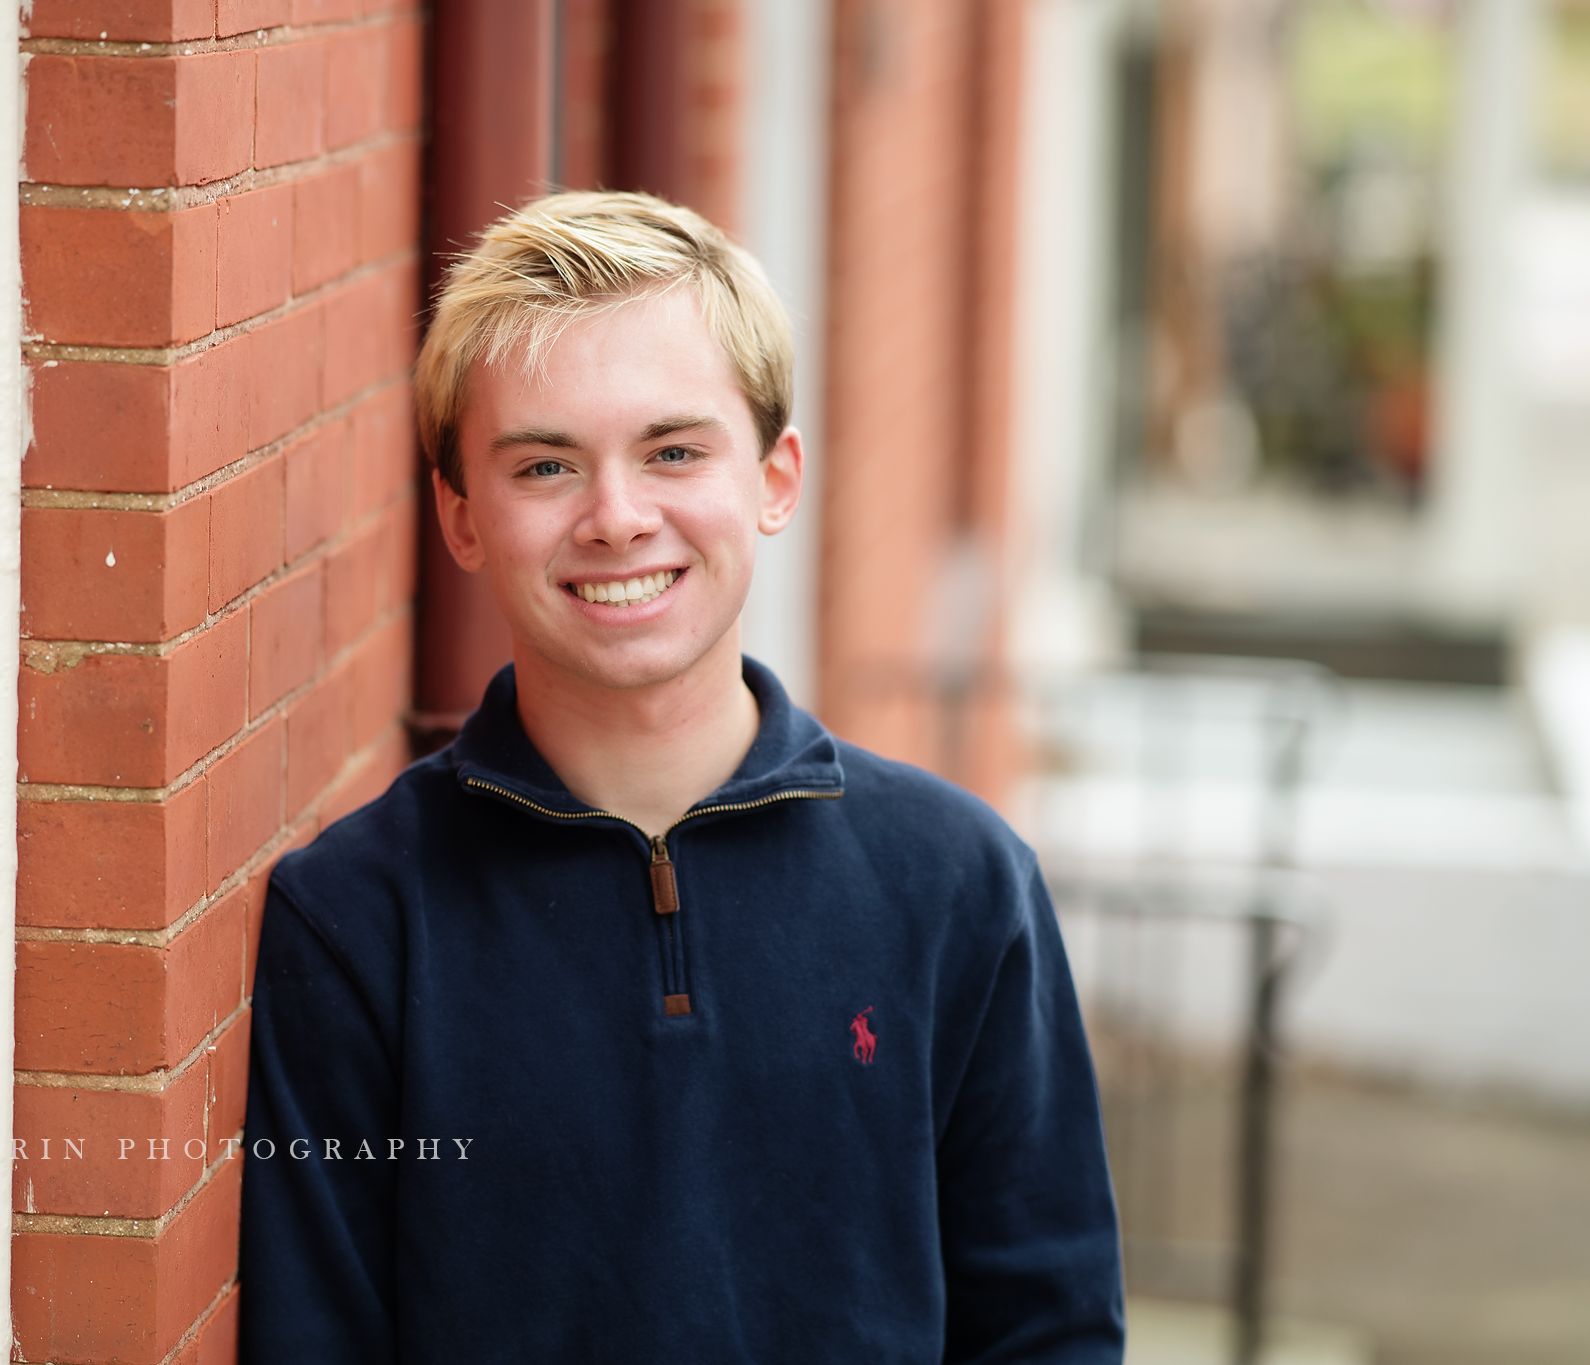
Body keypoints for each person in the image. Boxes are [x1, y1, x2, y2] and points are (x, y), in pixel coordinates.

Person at [240, 190, 1123, 1363]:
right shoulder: (358, 920)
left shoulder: (956, 883)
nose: (616, 519)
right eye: (546, 466)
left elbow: (1047, 1330)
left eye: (671, 451)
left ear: (772, 477)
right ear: (459, 516)